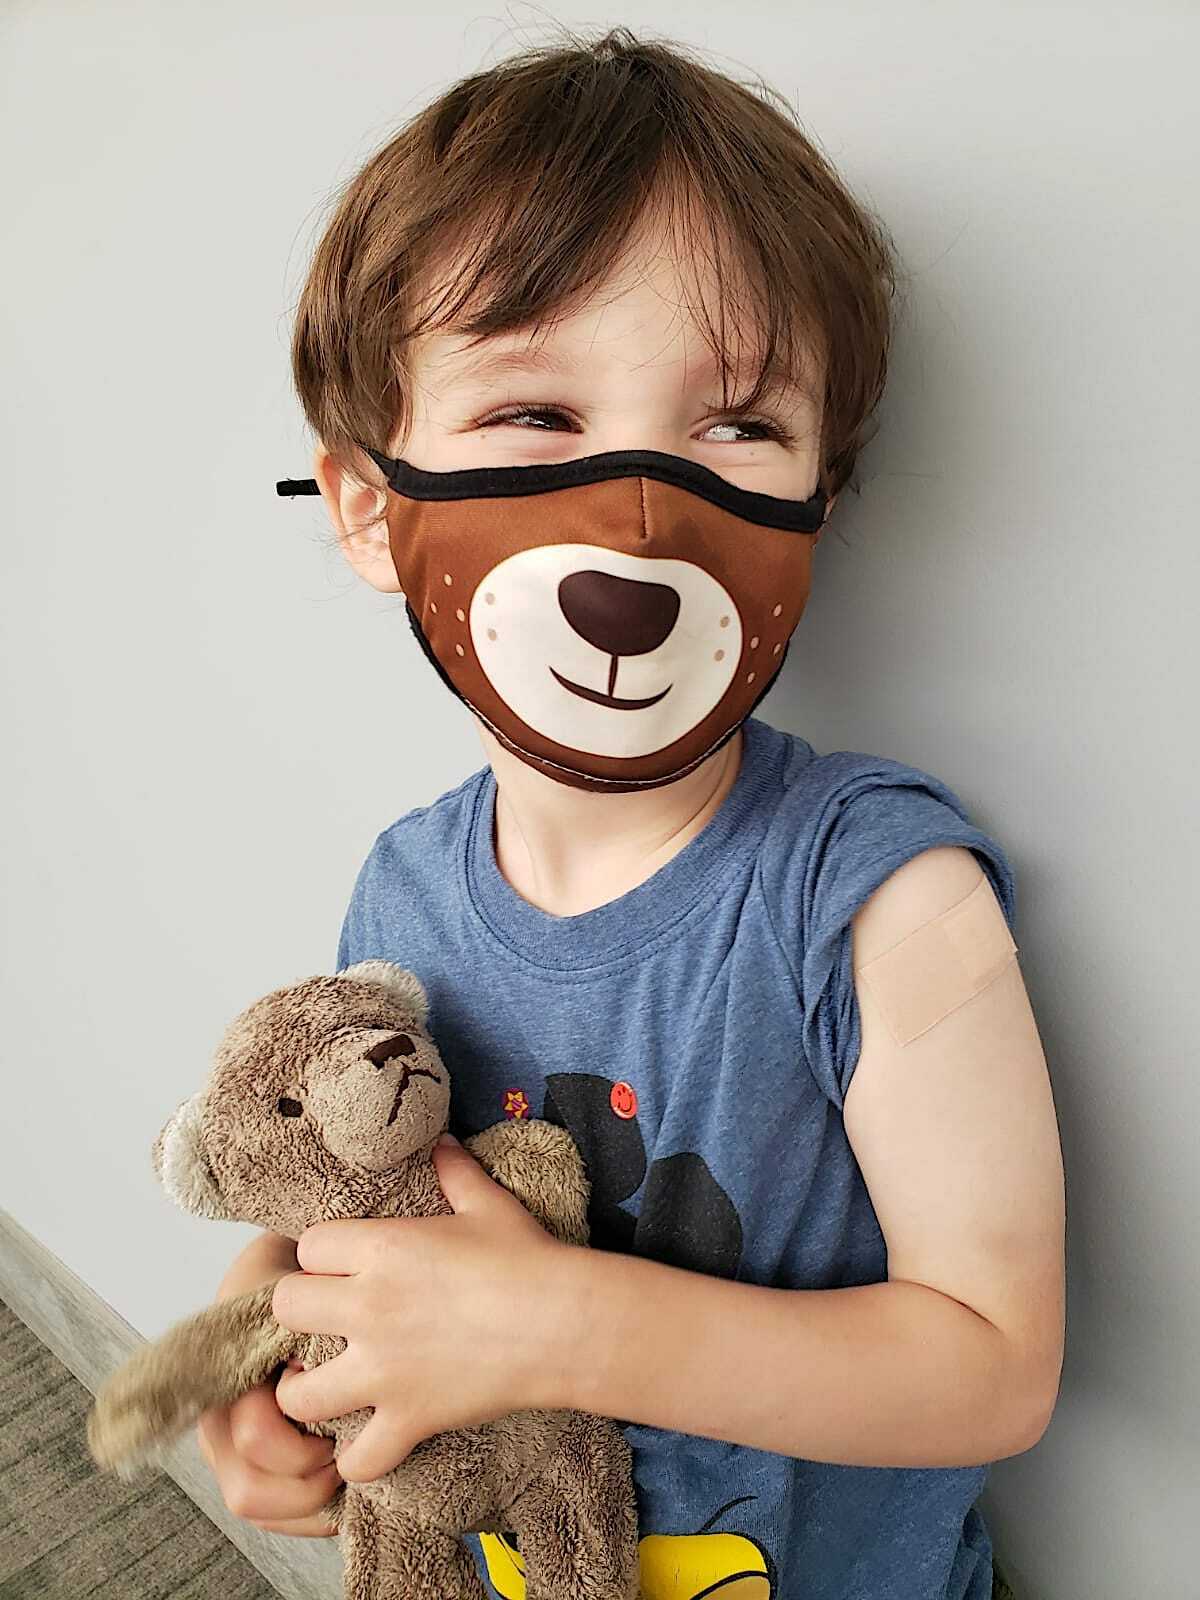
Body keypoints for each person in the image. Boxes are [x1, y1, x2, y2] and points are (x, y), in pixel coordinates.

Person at [198, 26, 1064, 1600]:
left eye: (736, 426)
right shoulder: (399, 888)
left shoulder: (877, 896)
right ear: (370, 509)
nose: (642, 515)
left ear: (819, 497)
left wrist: (553, 1326)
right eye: (535, 413)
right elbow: (359, 1193)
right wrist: (281, 1369)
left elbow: (996, 1365)